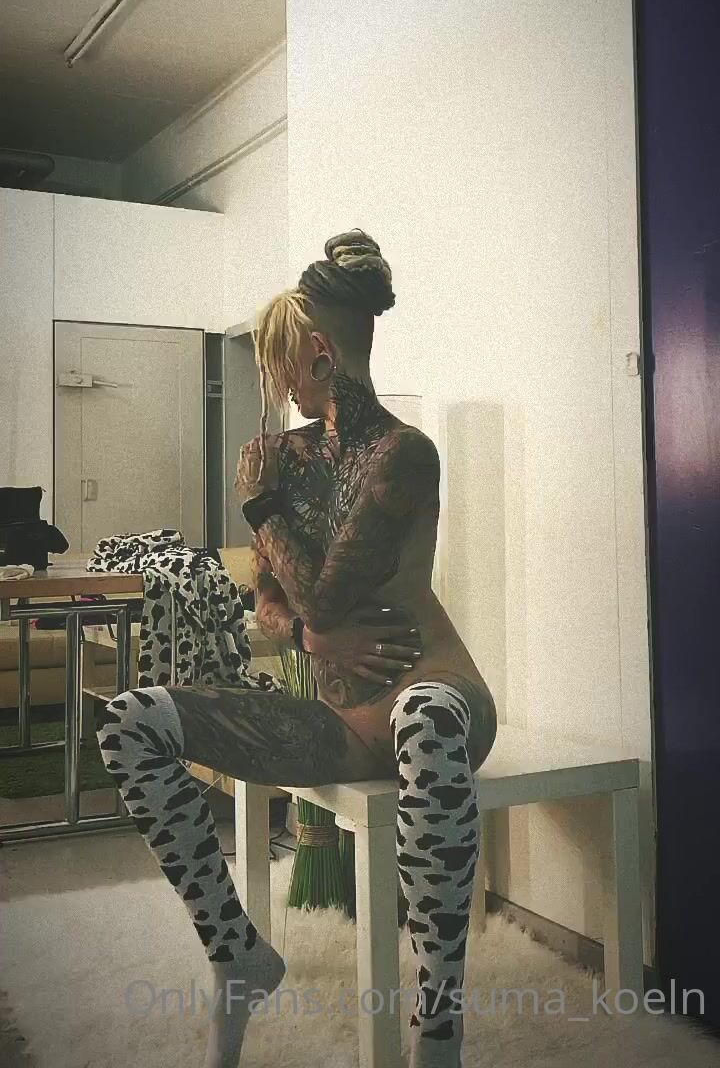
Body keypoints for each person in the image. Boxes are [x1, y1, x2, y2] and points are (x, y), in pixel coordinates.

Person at [96, 229, 497, 1068]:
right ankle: (239, 954)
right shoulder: (282, 456)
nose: (276, 386)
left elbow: (321, 594)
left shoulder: (402, 454)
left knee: (426, 719)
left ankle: (439, 1027)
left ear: (318, 351)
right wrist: (308, 632)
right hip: (339, 720)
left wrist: (262, 514)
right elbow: (274, 602)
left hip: (430, 693)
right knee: (130, 722)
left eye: (282, 365)